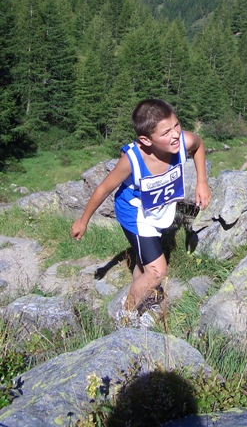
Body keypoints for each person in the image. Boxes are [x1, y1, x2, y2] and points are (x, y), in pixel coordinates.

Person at [70, 98, 210, 321]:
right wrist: (83, 221)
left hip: (159, 210)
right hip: (136, 214)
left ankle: (140, 289)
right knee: (157, 271)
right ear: (146, 140)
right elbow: (104, 188)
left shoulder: (182, 141)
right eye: (166, 132)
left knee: (145, 263)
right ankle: (125, 317)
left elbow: (199, 144)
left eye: (176, 125)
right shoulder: (132, 160)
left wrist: (202, 182)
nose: (175, 134)